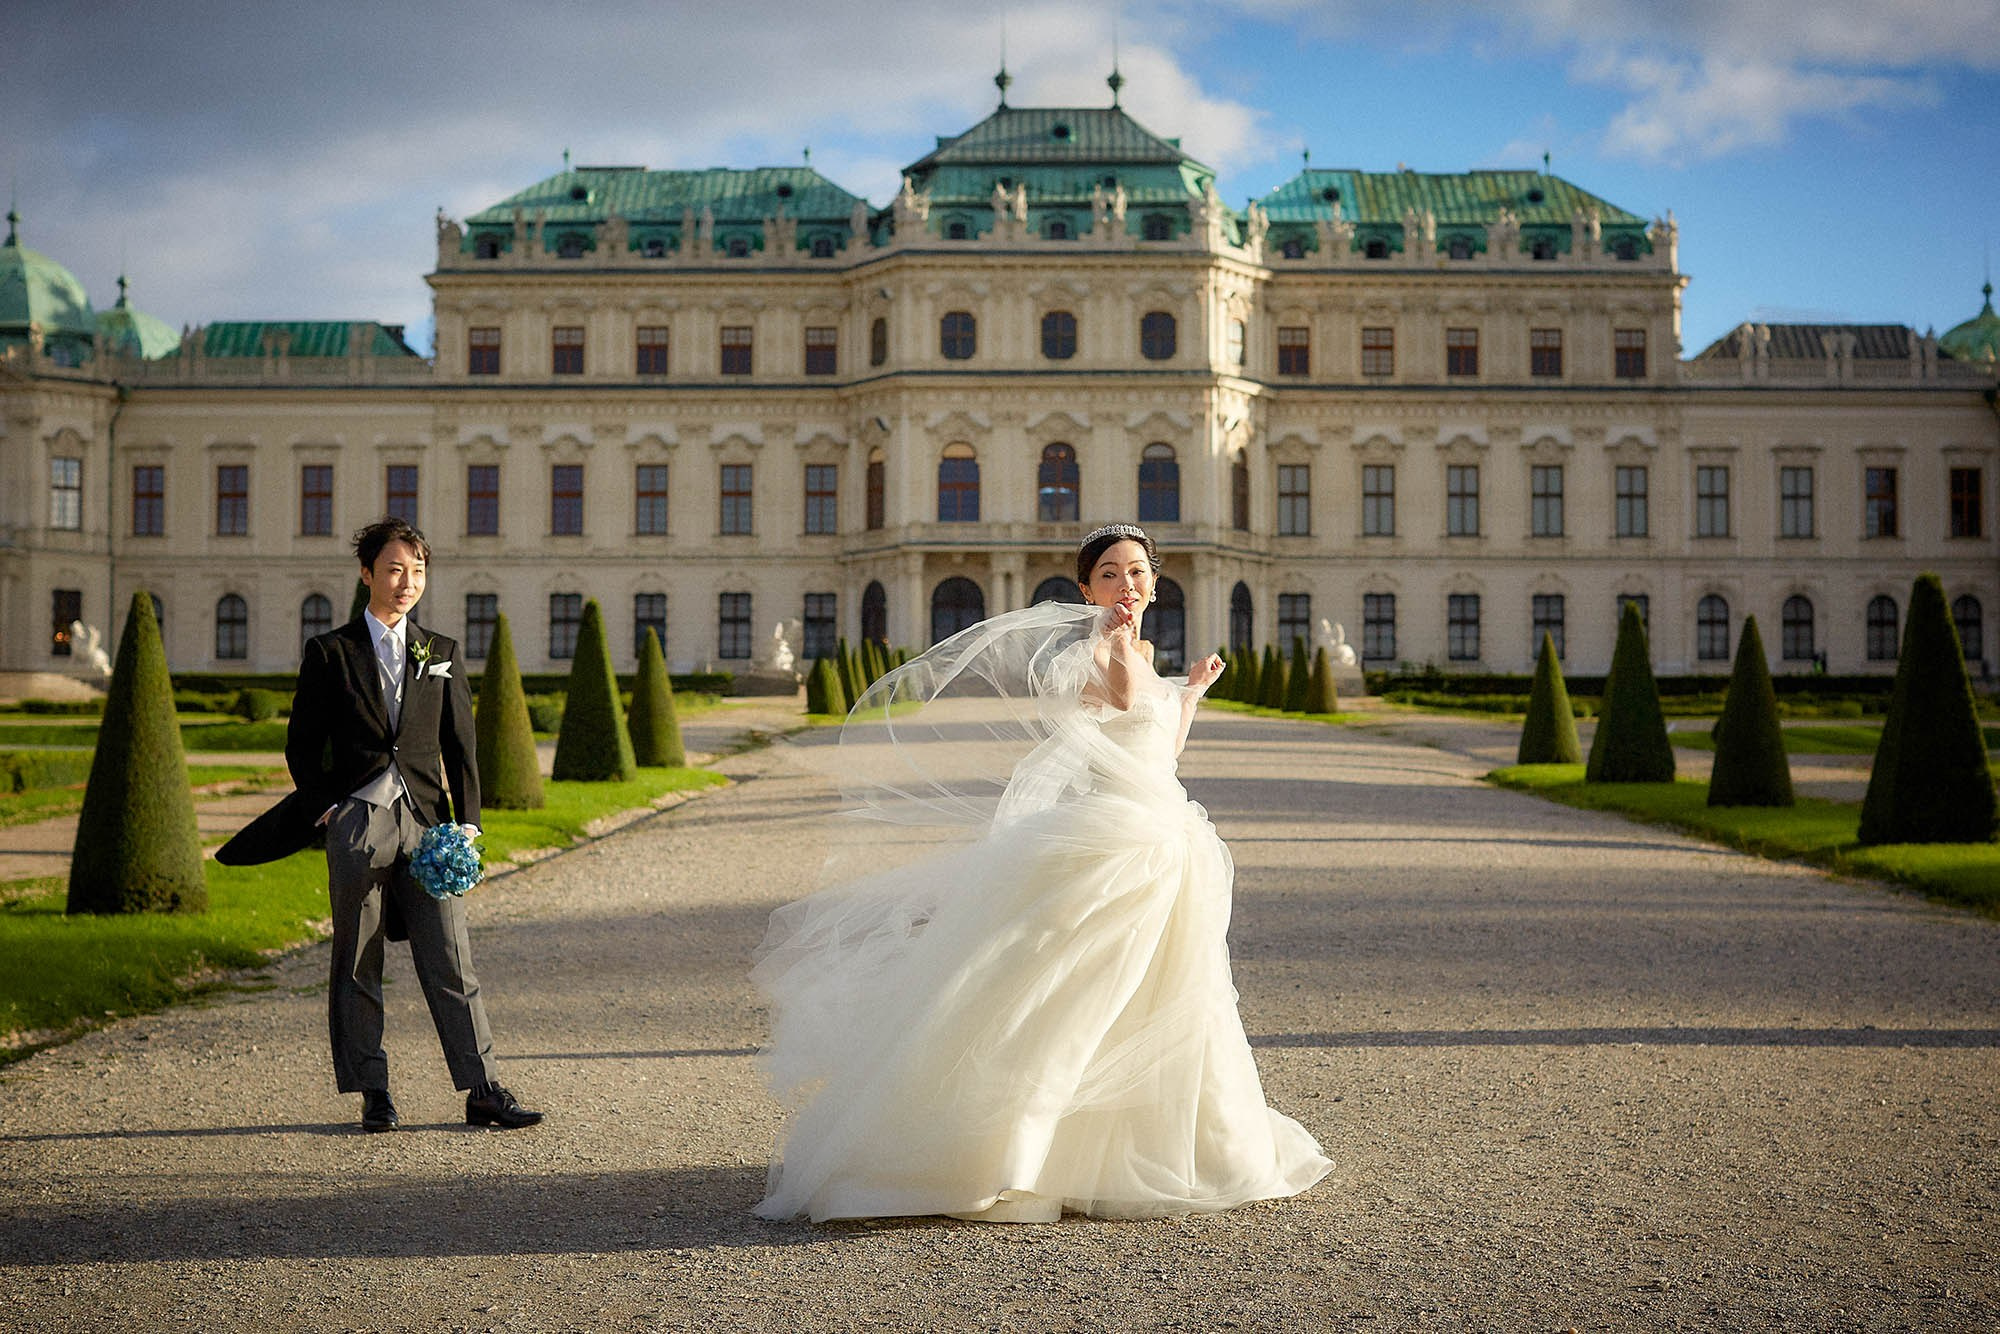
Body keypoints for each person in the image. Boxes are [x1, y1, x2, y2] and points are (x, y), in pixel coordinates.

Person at [752, 522, 1330, 1222]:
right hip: (1112, 836)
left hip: (1160, 828)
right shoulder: (1087, 653)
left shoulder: (1142, 649)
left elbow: (1157, 746)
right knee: (1079, 991)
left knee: (1167, 988)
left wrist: (1192, 694)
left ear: (1156, 581)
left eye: (1139, 572)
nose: (1128, 584)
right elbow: (1115, 705)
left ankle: (1156, 1148)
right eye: (1111, 574)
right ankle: (1015, 1151)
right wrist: (1115, 640)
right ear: (1085, 588)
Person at [219, 518, 542, 1133]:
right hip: (358, 822)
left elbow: (462, 749)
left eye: (417, 571)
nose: (407, 583)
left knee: (451, 957)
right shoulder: (330, 652)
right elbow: (301, 746)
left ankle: (483, 1089)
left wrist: (467, 827)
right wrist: (331, 809)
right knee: (358, 958)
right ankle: (374, 1090)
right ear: (367, 573)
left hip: (428, 826)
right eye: (395, 569)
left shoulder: (440, 652)